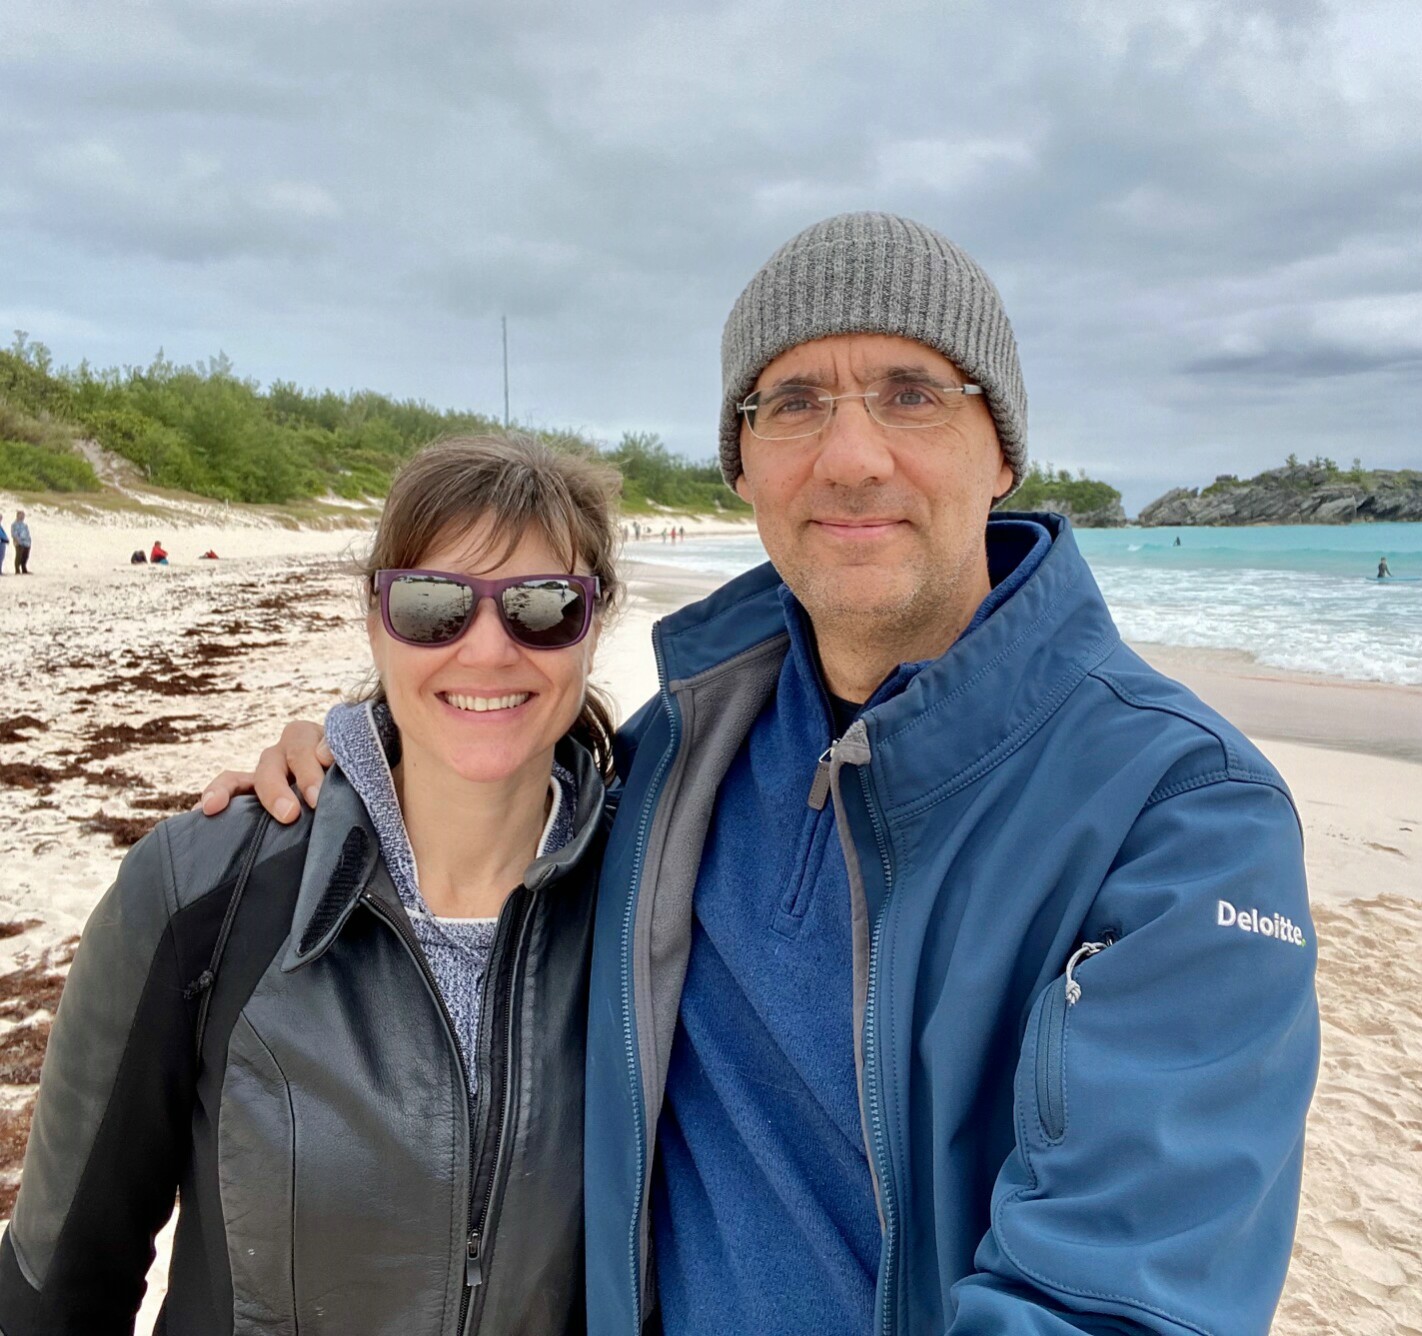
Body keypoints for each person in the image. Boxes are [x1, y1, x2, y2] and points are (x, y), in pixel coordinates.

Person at [202, 213, 1318, 1334]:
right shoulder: (674, 755)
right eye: (792, 402)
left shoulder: (1183, 814)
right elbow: (483, 795)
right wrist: (356, 760)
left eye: (912, 393)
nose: (851, 457)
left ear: (1005, 452)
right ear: (742, 468)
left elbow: (1112, 1303)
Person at [0, 434, 622, 1334]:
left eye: (543, 606)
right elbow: (54, 1290)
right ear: (374, 620)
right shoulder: (200, 891)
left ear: (595, 623)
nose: (488, 650)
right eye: (432, 604)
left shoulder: (655, 900)